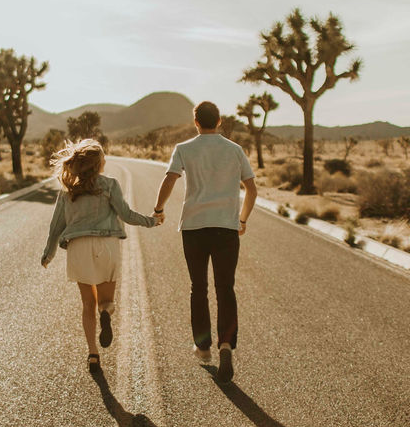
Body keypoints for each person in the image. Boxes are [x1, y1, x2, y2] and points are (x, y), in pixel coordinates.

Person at [152, 101, 256, 383]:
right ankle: (226, 343)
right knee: (226, 287)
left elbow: (170, 179)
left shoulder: (184, 149)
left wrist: (159, 209)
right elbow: (251, 188)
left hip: (194, 228)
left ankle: (203, 347)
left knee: (198, 287)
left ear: (195, 121)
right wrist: (242, 220)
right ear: (219, 120)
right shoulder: (234, 150)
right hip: (226, 228)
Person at [42, 139, 161, 373]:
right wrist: (151, 221)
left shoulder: (68, 190)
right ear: (98, 164)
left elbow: (56, 225)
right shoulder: (109, 184)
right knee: (106, 302)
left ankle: (93, 354)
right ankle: (106, 314)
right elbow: (125, 214)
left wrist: (49, 253)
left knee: (87, 304)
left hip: (78, 247)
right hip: (107, 245)